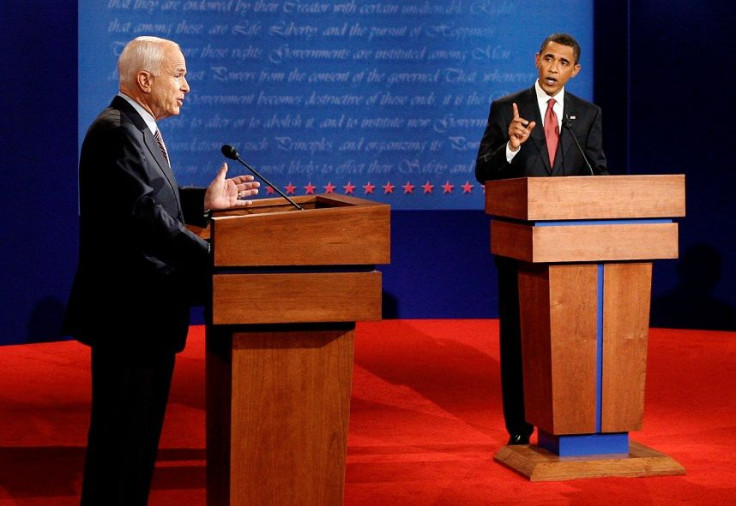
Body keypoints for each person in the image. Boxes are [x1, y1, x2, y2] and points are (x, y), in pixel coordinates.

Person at [64, 36, 260, 505]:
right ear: (144, 79)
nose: (187, 86)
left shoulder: (136, 126)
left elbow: (152, 201)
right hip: (130, 316)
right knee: (121, 445)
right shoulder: (116, 130)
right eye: (179, 74)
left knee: (133, 446)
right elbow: (146, 220)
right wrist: (218, 261)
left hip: (144, 314)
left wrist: (204, 203)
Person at [474, 33, 608, 445]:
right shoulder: (506, 110)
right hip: (520, 244)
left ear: (574, 70)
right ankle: (519, 425)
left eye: (562, 62)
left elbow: (598, 176)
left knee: (568, 337)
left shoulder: (587, 115)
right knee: (519, 338)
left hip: (570, 246)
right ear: (537, 61)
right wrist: (511, 147)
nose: (553, 68)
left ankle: (567, 415)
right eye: (548, 59)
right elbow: (482, 171)